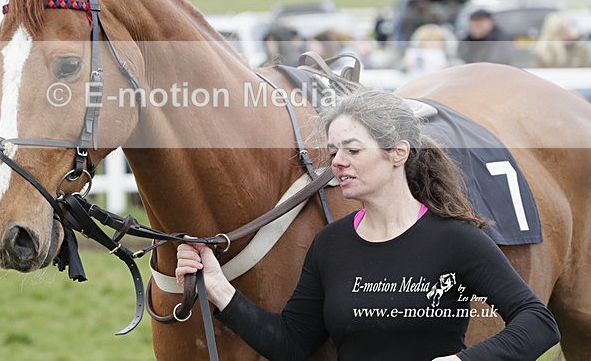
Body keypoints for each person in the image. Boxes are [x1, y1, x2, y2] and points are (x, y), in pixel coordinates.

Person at [176, 89, 560, 360]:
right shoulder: (331, 245)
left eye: (353, 150)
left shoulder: (455, 239)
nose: (338, 162)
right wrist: (215, 285)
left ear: (398, 153)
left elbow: (539, 324)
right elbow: (290, 345)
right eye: (333, 151)